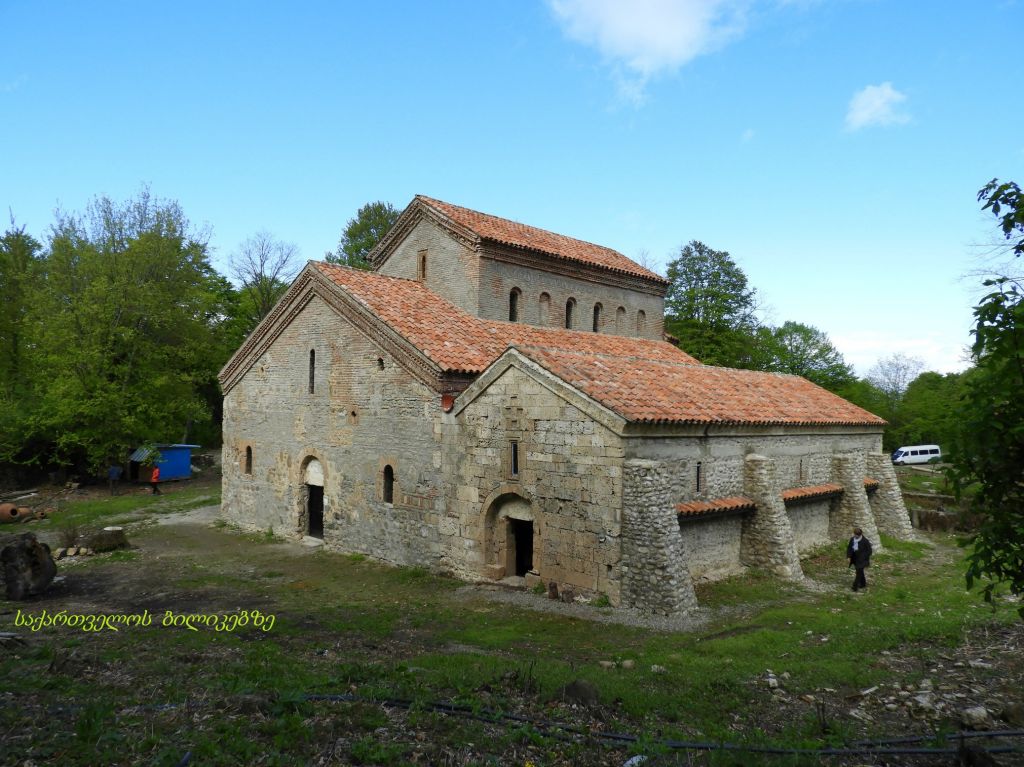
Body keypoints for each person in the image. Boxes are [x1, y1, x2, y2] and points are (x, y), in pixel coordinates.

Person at [847, 527, 873, 591]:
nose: (856, 536)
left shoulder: (865, 541)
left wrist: (863, 557)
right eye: (855, 535)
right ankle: (863, 583)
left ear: (860, 535)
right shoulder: (852, 539)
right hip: (855, 558)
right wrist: (849, 556)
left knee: (858, 573)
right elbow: (849, 548)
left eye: (857, 535)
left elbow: (869, 551)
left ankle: (854, 586)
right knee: (860, 571)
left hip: (862, 560)